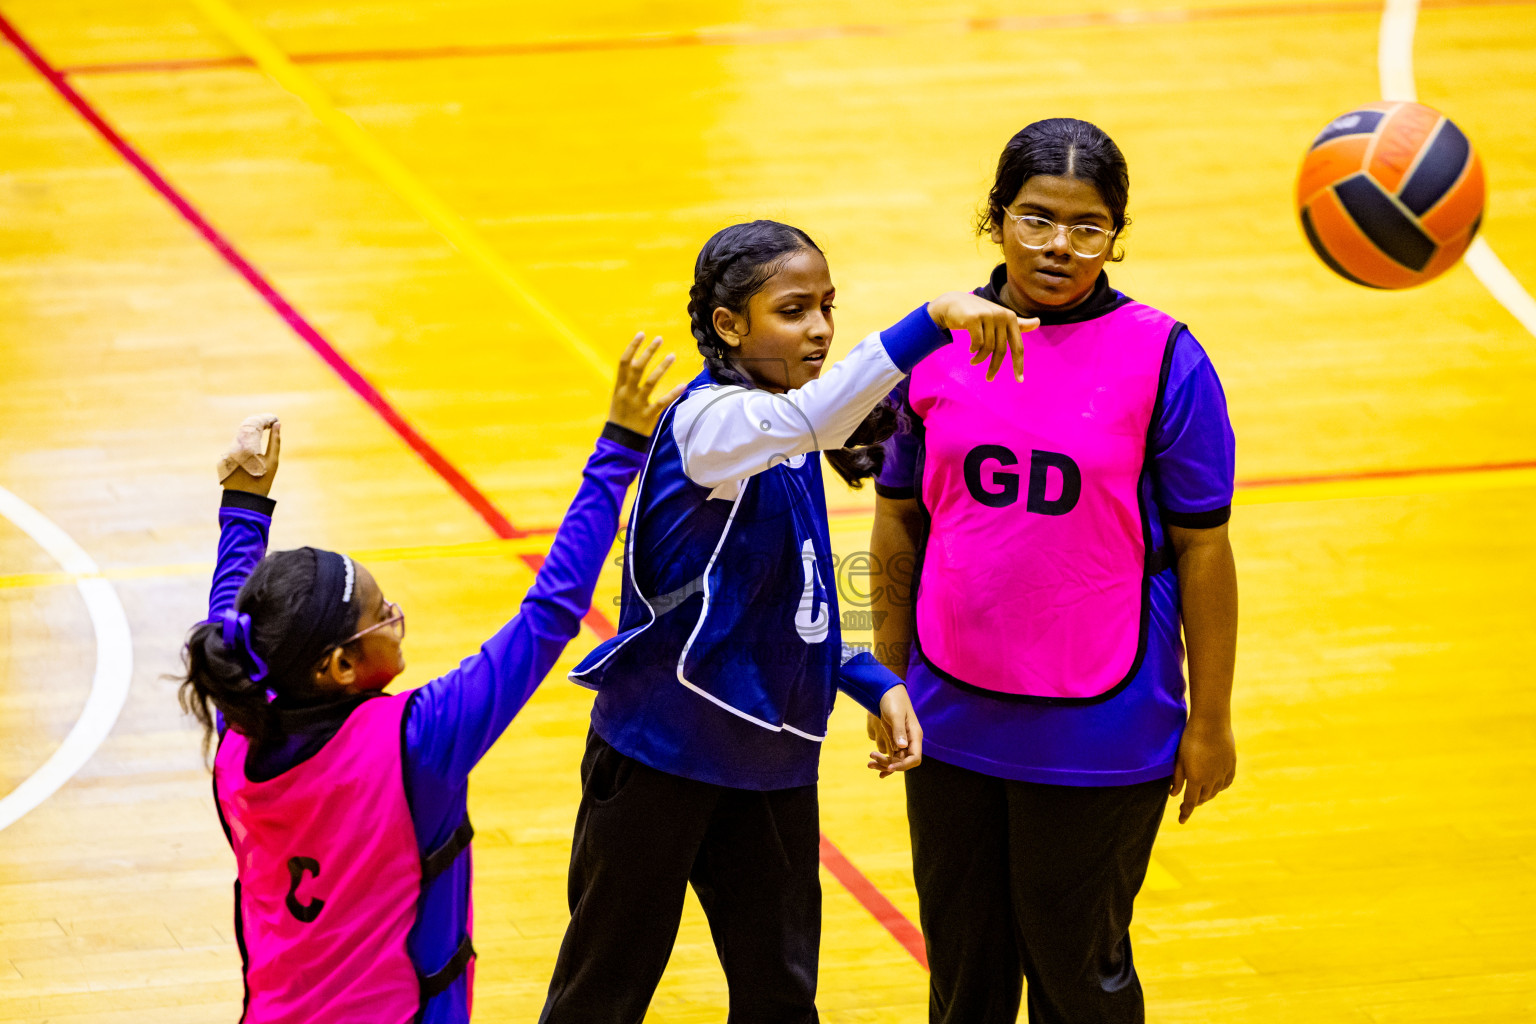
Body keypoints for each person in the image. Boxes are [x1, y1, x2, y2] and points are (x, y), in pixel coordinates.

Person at [539, 219, 1036, 1024]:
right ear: (731, 326)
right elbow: (816, 417)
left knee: (780, 997)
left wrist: (873, 681)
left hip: (768, 762)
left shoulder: (789, 425)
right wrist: (930, 321)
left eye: (827, 307)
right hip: (661, 754)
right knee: (602, 992)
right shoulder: (712, 424)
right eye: (794, 310)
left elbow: (805, 581)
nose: (820, 328)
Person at [178, 337, 680, 1024]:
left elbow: (236, 623)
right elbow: (551, 613)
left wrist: (243, 505)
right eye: (380, 615)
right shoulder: (417, 740)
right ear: (339, 667)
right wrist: (619, 449)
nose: (396, 615)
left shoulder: (242, 731)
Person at [868, 118, 1239, 1024]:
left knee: (1080, 981)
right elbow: (896, 521)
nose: (1061, 247)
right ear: (995, 221)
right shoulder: (936, 344)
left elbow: (1204, 548)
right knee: (964, 980)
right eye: (1037, 219)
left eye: (1089, 226)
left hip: (1105, 727)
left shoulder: (1166, 358)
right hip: (951, 714)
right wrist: (888, 680)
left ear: (1118, 234)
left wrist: (1213, 724)